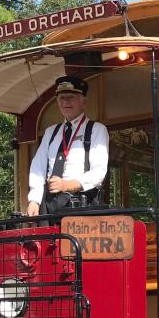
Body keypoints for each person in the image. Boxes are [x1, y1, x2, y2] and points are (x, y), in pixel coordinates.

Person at [26, 75, 109, 216]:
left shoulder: (96, 129)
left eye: (70, 97)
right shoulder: (51, 132)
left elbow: (98, 172)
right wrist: (34, 200)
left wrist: (66, 185)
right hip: (50, 203)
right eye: (61, 98)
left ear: (83, 102)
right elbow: (37, 167)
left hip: (82, 204)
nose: (65, 102)